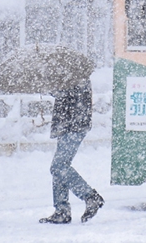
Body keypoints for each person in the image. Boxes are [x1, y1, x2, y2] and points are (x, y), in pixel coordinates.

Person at [39, 80, 103, 224]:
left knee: (58, 166)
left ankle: (90, 196)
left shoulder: (75, 75)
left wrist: (51, 88)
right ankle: (62, 210)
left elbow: (66, 95)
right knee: (60, 167)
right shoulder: (71, 73)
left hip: (74, 125)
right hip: (68, 124)